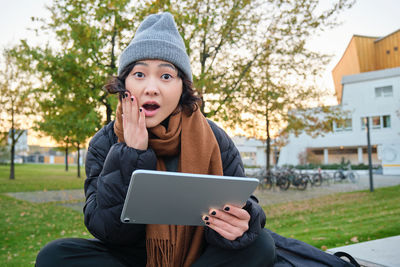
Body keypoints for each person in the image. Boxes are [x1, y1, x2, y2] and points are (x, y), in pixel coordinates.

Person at [35, 12, 276, 267]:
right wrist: (131, 153)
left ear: (182, 87)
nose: (152, 88)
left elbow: (246, 205)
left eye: (166, 76)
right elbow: (108, 231)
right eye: (139, 74)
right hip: (133, 256)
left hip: (199, 255)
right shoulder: (104, 142)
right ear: (124, 84)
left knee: (262, 245)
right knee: (55, 256)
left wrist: (243, 221)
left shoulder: (215, 138)